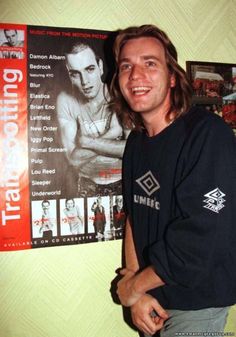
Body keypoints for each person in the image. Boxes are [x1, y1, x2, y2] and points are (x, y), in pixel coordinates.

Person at [110, 24, 236, 337]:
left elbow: (201, 240)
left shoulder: (208, 135)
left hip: (197, 305)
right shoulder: (137, 143)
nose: (136, 75)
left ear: (173, 77)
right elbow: (134, 217)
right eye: (127, 66)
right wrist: (135, 289)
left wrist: (133, 288)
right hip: (153, 298)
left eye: (149, 63)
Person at [57, 41, 129, 196]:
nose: (85, 82)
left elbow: (131, 150)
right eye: (75, 73)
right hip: (87, 184)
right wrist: (112, 133)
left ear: (100, 67)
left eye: (89, 69)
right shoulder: (66, 100)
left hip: (123, 183)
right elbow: (73, 160)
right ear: (69, 74)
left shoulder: (120, 94)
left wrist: (87, 142)